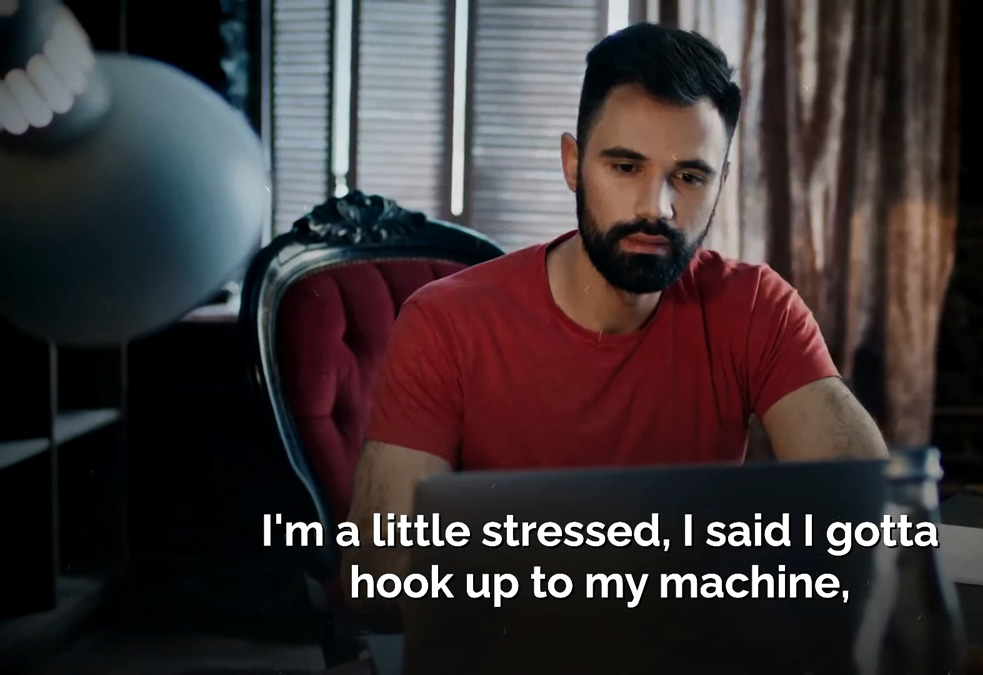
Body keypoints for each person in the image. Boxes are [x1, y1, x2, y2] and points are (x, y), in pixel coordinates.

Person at [341, 22, 887, 625]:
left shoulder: (756, 306)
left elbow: (866, 512)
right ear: (573, 164)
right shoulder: (445, 322)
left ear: (722, 183)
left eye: (690, 176)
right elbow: (378, 578)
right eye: (625, 167)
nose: (657, 207)